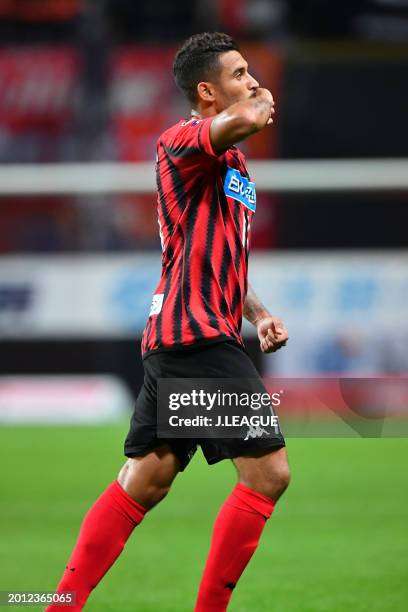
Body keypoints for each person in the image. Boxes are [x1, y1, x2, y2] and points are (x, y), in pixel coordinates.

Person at [46, 32, 290, 611]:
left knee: (146, 478)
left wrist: (258, 313)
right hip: (196, 337)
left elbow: (219, 254)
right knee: (268, 474)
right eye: (238, 73)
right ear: (207, 92)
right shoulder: (180, 141)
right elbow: (248, 118)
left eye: (251, 71)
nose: (252, 80)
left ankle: (58, 604)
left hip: (186, 335)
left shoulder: (230, 162)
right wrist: (257, 101)